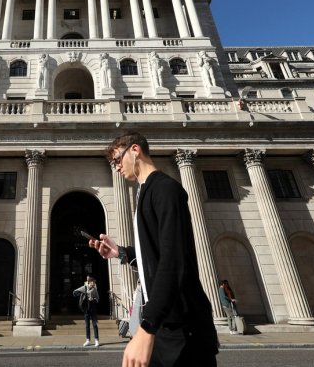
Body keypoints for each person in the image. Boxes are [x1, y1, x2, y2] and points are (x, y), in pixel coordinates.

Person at [91, 132, 219, 367]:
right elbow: (156, 257)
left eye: (117, 159)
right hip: (164, 325)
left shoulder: (165, 190)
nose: (116, 167)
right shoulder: (146, 192)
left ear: (135, 150)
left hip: (183, 330)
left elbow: (173, 263)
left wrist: (146, 327)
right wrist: (121, 252)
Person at [73, 277, 100, 347]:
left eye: (94, 283)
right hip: (86, 309)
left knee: (95, 325)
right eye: (92, 282)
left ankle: (96, 340)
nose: (93, 284)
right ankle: (88, 340)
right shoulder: (84, 288)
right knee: (87, 325)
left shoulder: (95, 289)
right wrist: (82, 294)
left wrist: (93, 299)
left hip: (93, 308)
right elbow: (75, 292)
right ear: (89, 282)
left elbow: (97, 298)